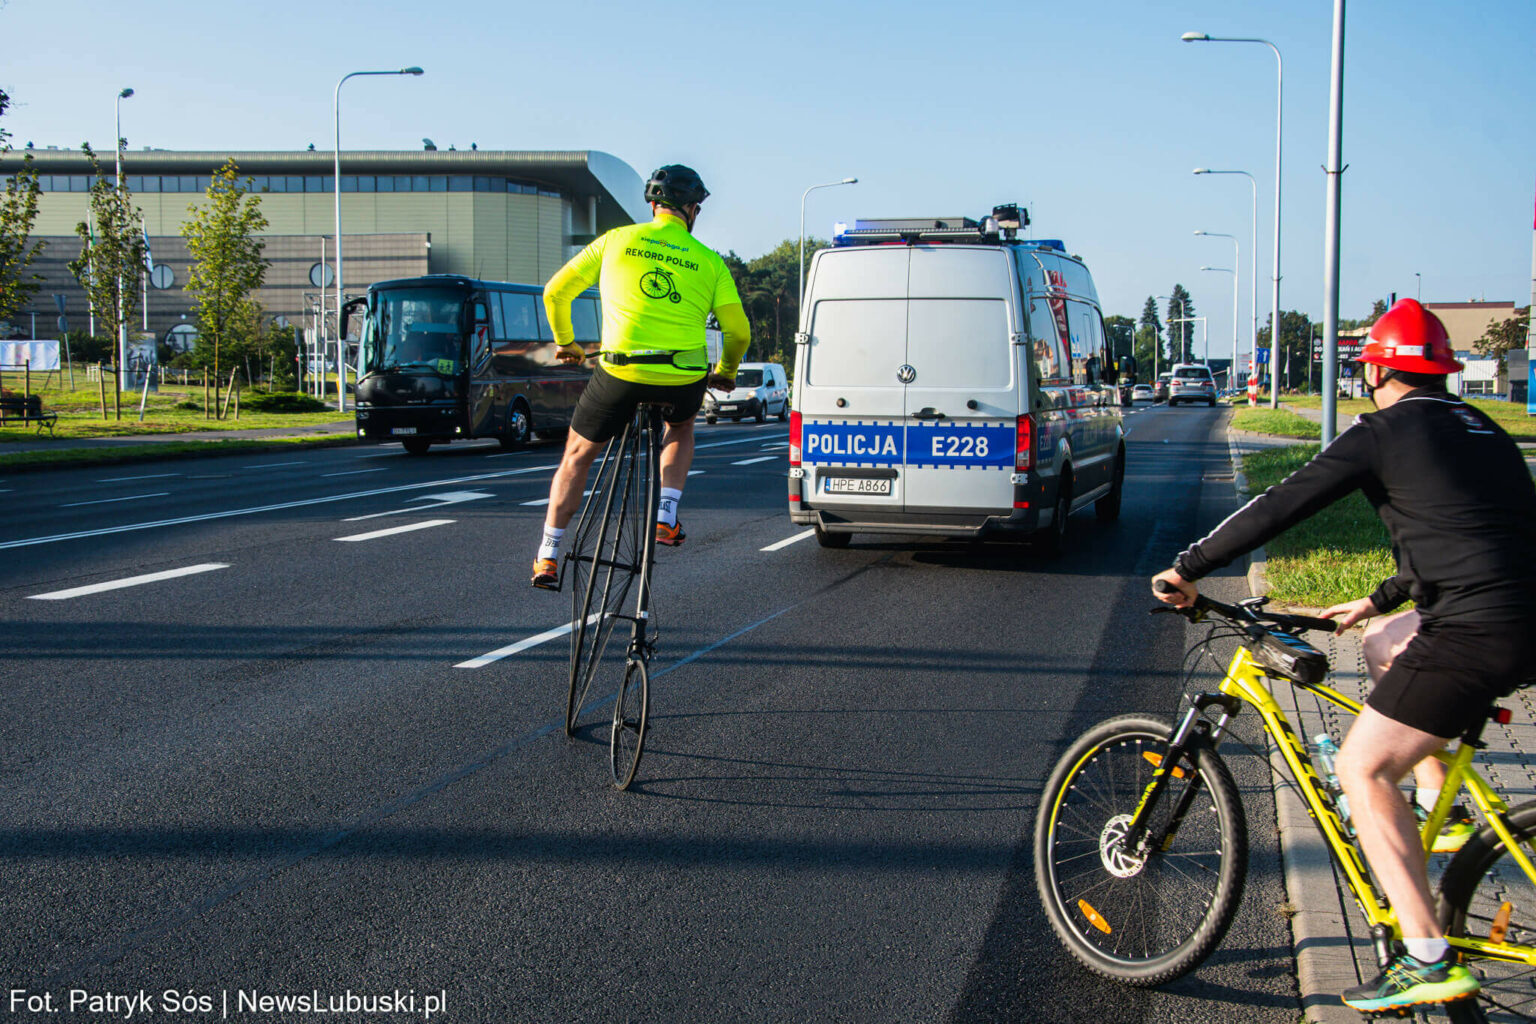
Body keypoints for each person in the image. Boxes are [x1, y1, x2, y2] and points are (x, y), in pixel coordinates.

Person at [1151, 298, 1536, 1013]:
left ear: (1376, 371)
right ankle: (1437, 804)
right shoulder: (1481, 426)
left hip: (1475, 630)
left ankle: (1425, 955)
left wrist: (1193, 564)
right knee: (1387, 642)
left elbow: (1284, 504)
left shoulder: (1382, 432)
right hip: (1521, 614)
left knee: (1361, 765)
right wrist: (1380, 601)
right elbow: (1471, 531)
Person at [531, 164, 750, 589]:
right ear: (691, 209)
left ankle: (548, 553)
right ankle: (665, 516)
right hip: (682, 374)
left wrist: (568, 343)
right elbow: (738, 331)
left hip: (621, 370)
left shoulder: (616, 240)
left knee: (577, 454)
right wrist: (724, 372)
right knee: (681, 425)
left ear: (652, 204)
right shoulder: (710, 262)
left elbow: (555, 292)